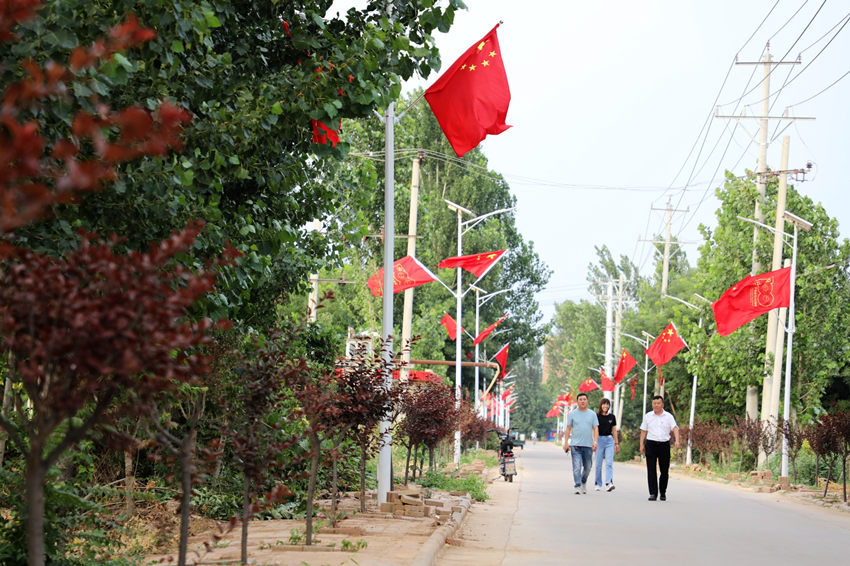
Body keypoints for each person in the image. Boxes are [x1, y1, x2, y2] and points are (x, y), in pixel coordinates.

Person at [639, 395, 681, 501]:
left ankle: (663, 492)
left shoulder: (668, 416)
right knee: (651, 470)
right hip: (651, 444)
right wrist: (641, 444)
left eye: (658, 403)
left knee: (664, 470)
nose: (656, 405)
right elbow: (643, 430)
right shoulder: (648, 416)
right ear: (652, 404)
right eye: (654, 403)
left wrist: (677, 441)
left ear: (662, 404)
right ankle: (653, 493)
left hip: (664, 445)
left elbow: (675, 428)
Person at [562, 392, 598, 494]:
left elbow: (596, 428)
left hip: (588, 445)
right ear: (577, 401)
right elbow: (568, 429)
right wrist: (566, 443)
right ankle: (577, 485)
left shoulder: (592, 414)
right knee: (577, 467)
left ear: (587, 401)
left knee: (588, 467)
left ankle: (583, 481)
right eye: (580, 399)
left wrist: (595, 442)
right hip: (575, 445)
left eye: (584, 399)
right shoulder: (572, 414)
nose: (582, 401)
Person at [594, 398, 619, 491]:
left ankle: (609, 482)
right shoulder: (596, 416)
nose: (605, 406)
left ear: (609, 406)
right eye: (604, 404)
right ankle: (597, 483)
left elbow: (614, 430)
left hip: (609, 440)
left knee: (609, 463)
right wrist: (594, 441)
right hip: (599, 440)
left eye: (607, 404)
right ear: (601, 405)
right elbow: (594, 429)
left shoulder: (612, 417)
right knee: (598, 463)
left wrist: (616, 443)